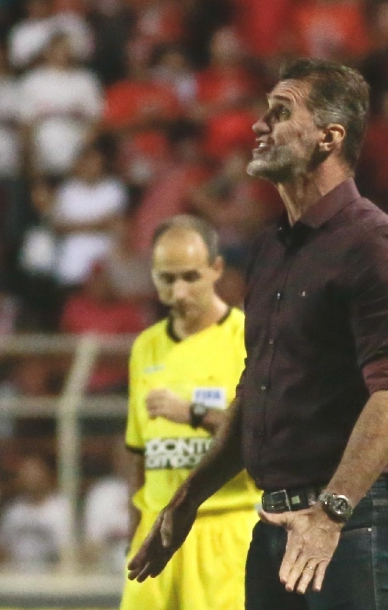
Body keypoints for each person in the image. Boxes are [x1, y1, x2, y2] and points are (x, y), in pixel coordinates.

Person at [127, 58, 388, 610]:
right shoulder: (271, 249)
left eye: (280, 112)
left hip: (355, 517)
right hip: (276, 518)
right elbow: (258, 392)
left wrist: (332, 511)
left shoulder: (375, 244)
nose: (257, 126)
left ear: (328, 139)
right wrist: (186, 499)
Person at [121, 215, 257, 610]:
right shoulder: (146, 346)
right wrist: (135, 533)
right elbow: (137, 453)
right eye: (166, 279)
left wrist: (194, 413)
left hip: (224, 525)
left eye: (190, 277)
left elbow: (263, 431)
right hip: (156, 529)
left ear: (216, 270)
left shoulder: (245, 337)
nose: (179, 291)